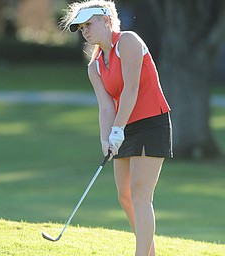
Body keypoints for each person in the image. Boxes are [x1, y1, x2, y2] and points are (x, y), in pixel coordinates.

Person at [61, 1, 173, 255]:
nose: (85, 31)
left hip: (150, 121)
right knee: (124, 196)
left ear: (107, 20)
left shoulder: (128, 42)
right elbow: (105, 107)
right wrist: (105, 139)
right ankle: (150, 252)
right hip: (123, 127)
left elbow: (132, 90)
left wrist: (117, 129)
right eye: (81, 27)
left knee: (140, 195)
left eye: (89, 24)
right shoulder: (95, 66)